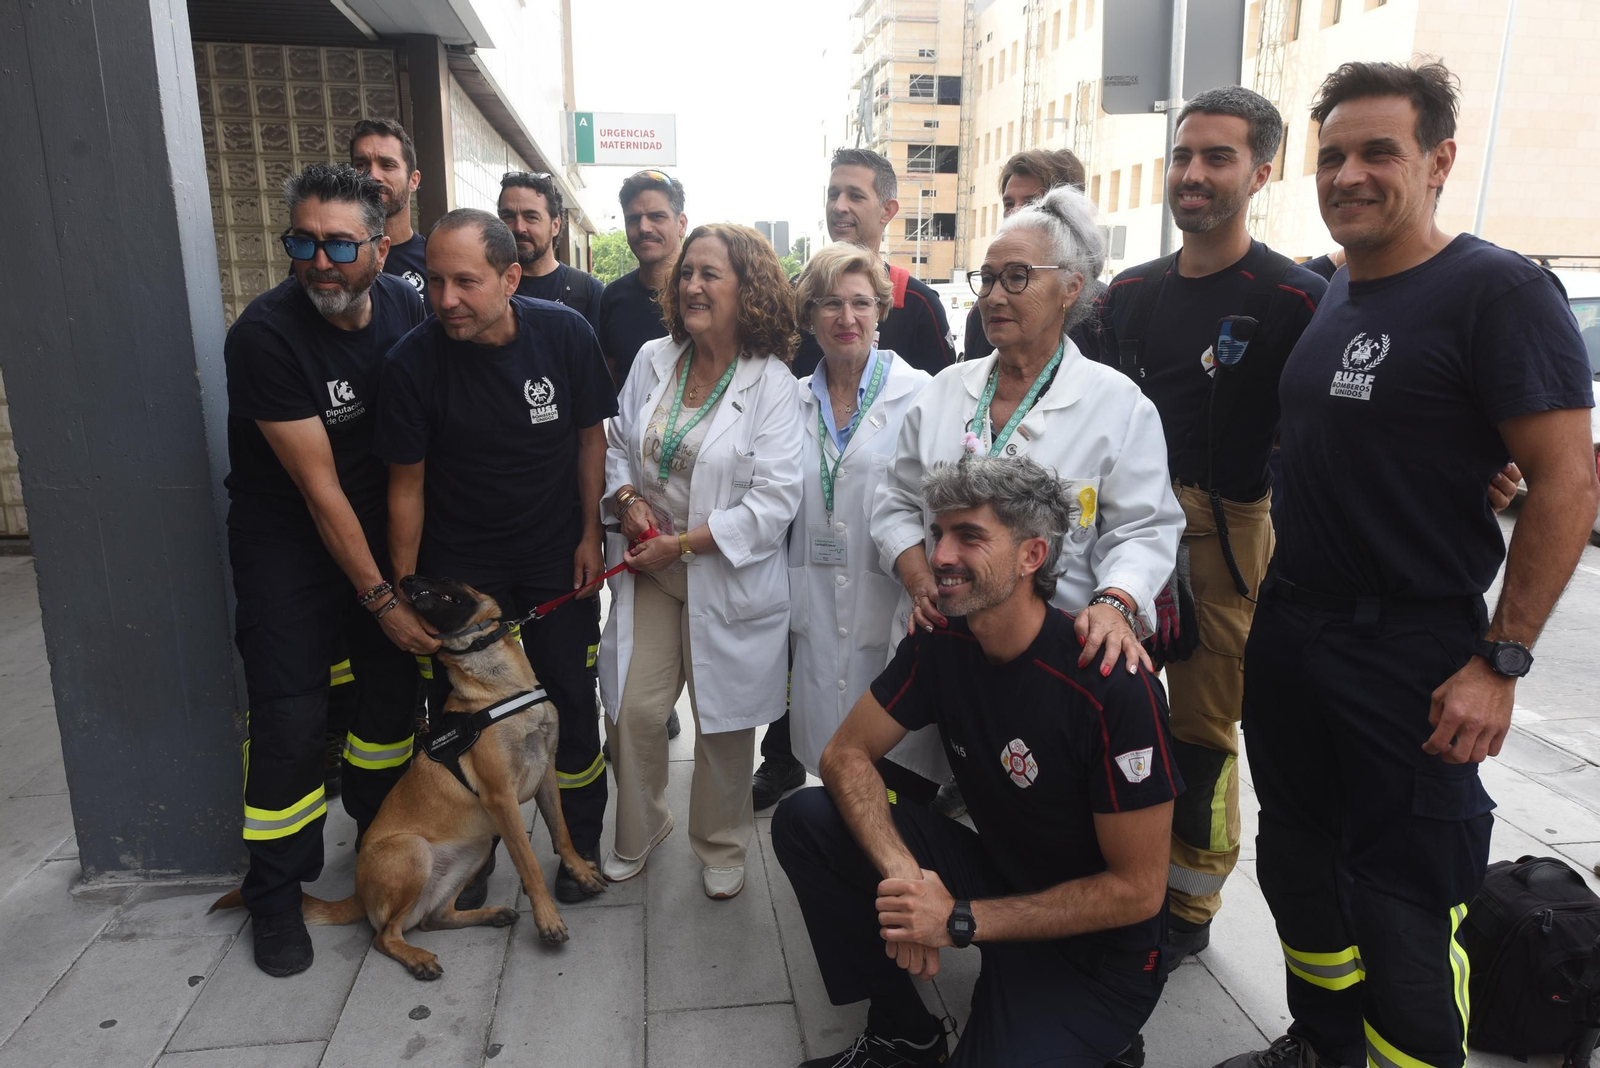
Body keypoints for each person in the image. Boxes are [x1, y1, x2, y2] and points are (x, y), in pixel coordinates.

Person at [1216, 61, 1599, 1068]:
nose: (1348, 174)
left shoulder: (1496, 289)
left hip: (1412, 654)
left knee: (1403, 901)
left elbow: (1566, 481)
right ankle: (1323, 1043)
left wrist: (1500, 659)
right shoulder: (1337, 286)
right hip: (1296, 633)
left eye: (1377, 151)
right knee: (1297, 864)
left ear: (1437, 161)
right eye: (1331, 155)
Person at [773, 455, 1179, 1068]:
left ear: (1031, 556)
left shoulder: (1109, 686)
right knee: (807, 818)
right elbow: (845, 753)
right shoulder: (944, 640)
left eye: (970, 536)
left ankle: (1110, 1044)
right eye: (939, 532)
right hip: (1000, 875)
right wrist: (907, 879)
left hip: (1100, 953)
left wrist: (959, 920)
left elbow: (1138, 892)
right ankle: (903, 1033)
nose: (939, 554)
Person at [1094, 86, 1329, 962]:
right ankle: (1109, 863)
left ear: (1261, 172)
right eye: (1184, 155)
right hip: (1113, 524)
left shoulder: (1296, 299)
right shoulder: (1129, 293)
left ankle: (1188, 902)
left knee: (1199, 734)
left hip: (1221, 539)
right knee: (1102, 704)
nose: (1192, 174)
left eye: (1218, 157)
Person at [222, 162, 434, 977]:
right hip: (292, 549)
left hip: (382, 538)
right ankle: (275, 898)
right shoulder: (265, 337)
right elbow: (320, 493)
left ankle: (373, 856)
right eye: (302, 241)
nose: (318, 261)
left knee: (385, 713)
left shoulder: (408, 309)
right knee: (290, 724)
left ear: (382, 248)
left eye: (339, 245)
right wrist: (382, 599)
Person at [374, 209, 616, 908]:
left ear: (511, 278)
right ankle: (473, 853)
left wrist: (591, 536)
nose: (445, 299)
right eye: (437, 282)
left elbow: (589, 441)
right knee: (469, 717)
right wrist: (399, 594)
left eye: (466, 283)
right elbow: (406, 486)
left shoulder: (565, 334)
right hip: (464, 579)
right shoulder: (411, 362)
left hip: (553, 557)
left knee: (568, 695)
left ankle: (581, 846)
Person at [873, 185, 1184, 690]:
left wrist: (1115, 602)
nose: (994, 296)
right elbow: (894, 501)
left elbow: (1143, 529)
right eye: (989, 279)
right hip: (940, 642)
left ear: (1070, 288)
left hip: (1055, 658)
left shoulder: (1118, 406)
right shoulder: (943, 393)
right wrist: (918, 576)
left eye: (1017, 277)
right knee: (917, 763)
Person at [599, 224, 804, 901]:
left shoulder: (772, 384)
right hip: (652, 570)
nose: (691, 285)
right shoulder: (654, 359)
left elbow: (774, 502)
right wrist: (626, 499)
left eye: (709, 274)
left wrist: (681, 542)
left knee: (723, 725)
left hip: (722, 571)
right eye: (687, 273)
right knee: (634, 709)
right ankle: (643, 824)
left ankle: (720, 844)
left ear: (749, 290)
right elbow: (620, 443)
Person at [779, 243, 936, 810]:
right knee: (828, 757)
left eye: (861, 303)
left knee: (893, 757)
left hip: (889, 596)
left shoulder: (921, 395)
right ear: (809, 315)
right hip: (815, 599)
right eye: (830, 304)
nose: (847, 319)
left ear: (881, 311)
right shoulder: (789, 401)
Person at [789, 148, 954, 379]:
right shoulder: (794, 294)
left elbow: (944, 398)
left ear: (887, 211)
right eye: (833, 194)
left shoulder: (918, 303)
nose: (839, 207)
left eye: (855, 196)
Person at [964, 148, 1104, 363]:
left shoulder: (1105, 310)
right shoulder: (986, 313)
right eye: (1009, 204)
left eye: (1032, 203)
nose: (1016, 214)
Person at [596, 169, 688, 389]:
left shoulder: (705, 295)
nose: (644, 228)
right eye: (634, 219)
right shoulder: (613, 297)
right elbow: (609, 381)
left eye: (657, 216)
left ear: (681, 224)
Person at [498, 170, 605, 333]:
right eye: (508, 217)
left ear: (555, 225)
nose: (519, 228)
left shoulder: (588, 292)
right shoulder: (488, 287)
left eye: (531, 217)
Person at [349, 118, 427, 299]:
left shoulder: (434, 260)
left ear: (413, 180)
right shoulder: (329, 256)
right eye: (361, 165)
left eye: (387, 165)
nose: (373, 175)